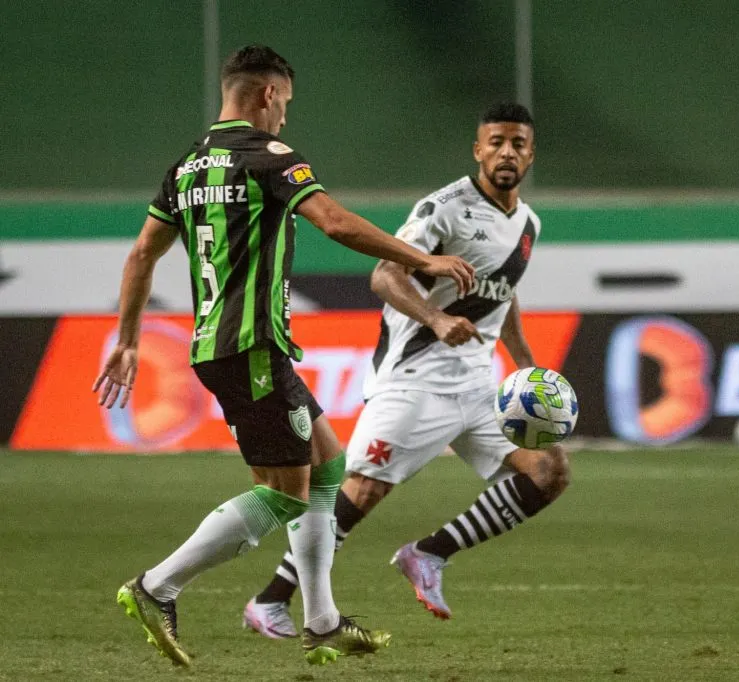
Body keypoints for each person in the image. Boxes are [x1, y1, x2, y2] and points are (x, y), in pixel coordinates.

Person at [94, 44, 475, 667]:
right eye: (285, 105)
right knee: (284, 493)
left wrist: (129, 338)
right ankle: (157, 585)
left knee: (328, 467)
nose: (285, 120)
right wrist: (421, 258)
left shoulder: (185, 168)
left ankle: (322, 622)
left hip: (226, 344)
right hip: (250, 348)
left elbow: (142, 253)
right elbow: (336, 223)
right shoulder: (269, 158)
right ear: (267, 95)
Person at [243, 102, 570, 637]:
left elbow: (504, 293)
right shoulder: (444, 209)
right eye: (496, 142)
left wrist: (529, 366)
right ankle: (269, 600)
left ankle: (428, 555)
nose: (506, 152)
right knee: (362, 491)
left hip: (477, 384)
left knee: (548, 471)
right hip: (415, 379)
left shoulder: (528, 223)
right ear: (477, 149)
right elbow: (384, 276)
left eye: (517, 144)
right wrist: (437, 319)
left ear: (531, 154)